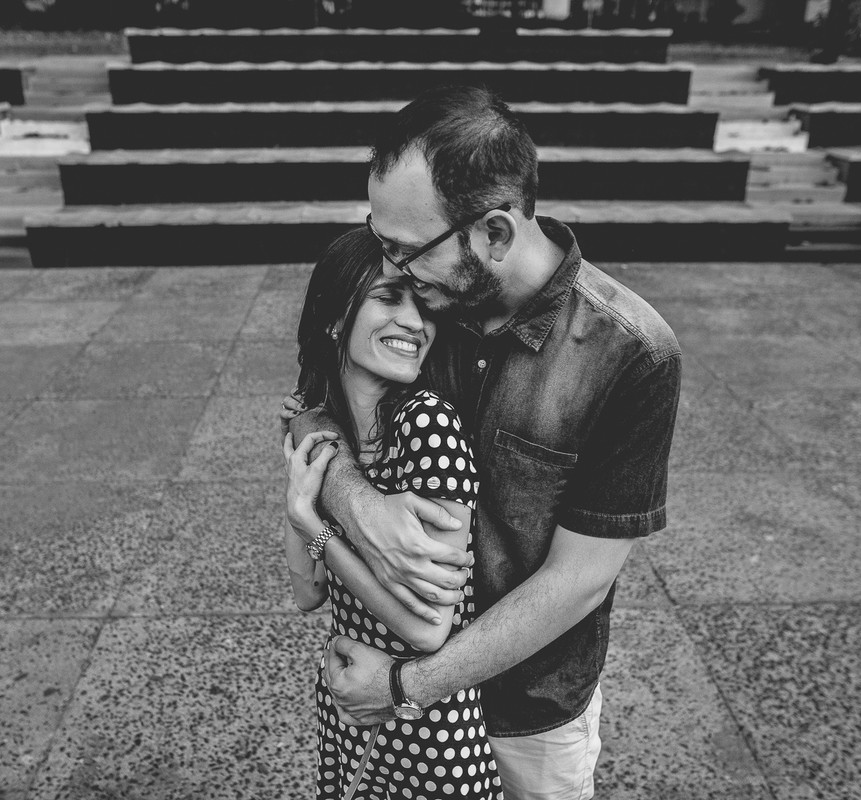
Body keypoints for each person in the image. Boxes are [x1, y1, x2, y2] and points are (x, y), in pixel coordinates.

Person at [284, 85, 682, 800]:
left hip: (524, 712)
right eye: (381, 245)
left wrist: (409, 686)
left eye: (404, 250)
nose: (391, 271)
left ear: (493, 235)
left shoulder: (633, 354)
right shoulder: (429, 305)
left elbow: (580, 578)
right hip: (383, 681)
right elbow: (315, 401)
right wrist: (355, 500)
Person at [282, 227, 504, 800]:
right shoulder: (331, 431)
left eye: (421, 303)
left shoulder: (427, 424)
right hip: (349, 711)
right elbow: (307, 594)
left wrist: (318, 530)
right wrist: (301, 504)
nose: (415, 322)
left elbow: (430, 627)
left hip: (425, 730)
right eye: (387, 297)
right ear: (335, 316)